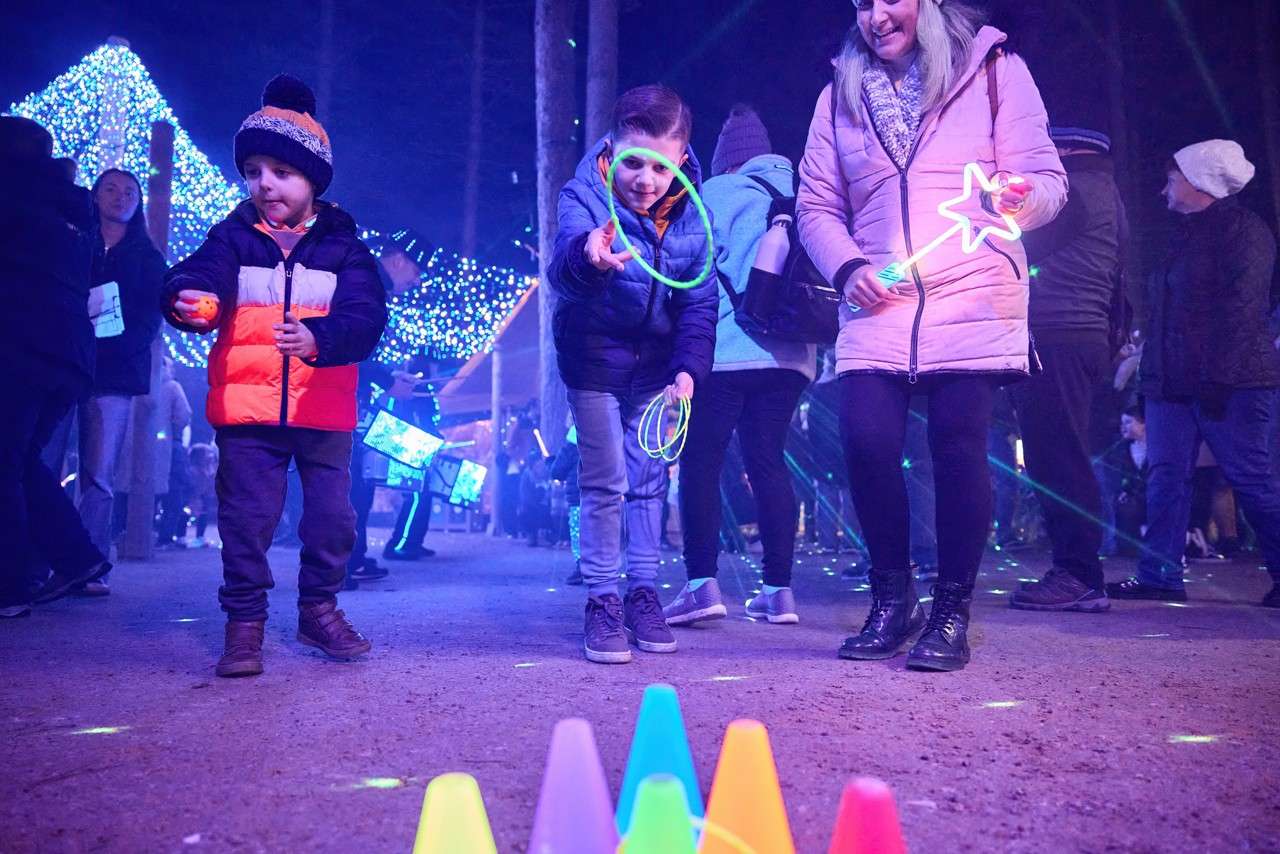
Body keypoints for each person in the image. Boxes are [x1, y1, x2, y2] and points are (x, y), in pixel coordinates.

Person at [797, 0, 1067, 671]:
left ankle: (951, 611)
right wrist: (847, 263)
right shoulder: (838, 95)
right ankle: (894, 599)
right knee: (865, 440)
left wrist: (1020, 194)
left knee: (957, 445)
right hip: (879, 298)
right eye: (861, 3)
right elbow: (817, 204)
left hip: (973, 291)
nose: (875, 16)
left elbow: (1050, 184)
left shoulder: (995, 70)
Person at [162, 74, 388, 676]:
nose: (266, 184)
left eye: (282, 172)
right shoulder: (232, 238)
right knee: (245, 518)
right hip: (248, 414)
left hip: (324, 410)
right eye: (255, 171)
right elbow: (198, 276)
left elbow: (368, 317)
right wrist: (191, 301)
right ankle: (244, 623)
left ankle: (318, 609)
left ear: (312, 179)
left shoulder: (345, 248)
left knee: (333, 519)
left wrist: (322, 338)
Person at [548, 84, 718, 664]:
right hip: (594, 360)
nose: (647, 179)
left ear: (683, 159)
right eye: (635, 162)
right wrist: (588, 257)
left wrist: (689, 370)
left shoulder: (695, 215)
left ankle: (643, 590)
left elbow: (700, 302)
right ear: (612, 149)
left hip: (656, 371)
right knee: (605, 479)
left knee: (650, 480)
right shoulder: (584, 196)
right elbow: (562, 268)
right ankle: (602, 598)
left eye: (662, 166)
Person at [661, 105, 815, 627]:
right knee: (768, 462)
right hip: (790, 357)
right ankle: (778, 592)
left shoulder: (714, 195)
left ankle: (702, 585)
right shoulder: (799, 196)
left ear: (725, 160)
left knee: (702, 462)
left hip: (725, 354)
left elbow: (687, 275)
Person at [1110, 140, 1280, 608]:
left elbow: (1242, 310)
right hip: (1173, 385)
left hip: (1233, 382)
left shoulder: (1246, 232)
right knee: (1166, 476)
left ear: (1199, 181)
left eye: (1171, 178)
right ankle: (1159, 574)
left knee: (1251, 478)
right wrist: (1153, 379)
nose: (1164, 188)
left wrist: (1218, 379)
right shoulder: (1182, 233)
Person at [1008, 127, 1126, 612]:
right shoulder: (1105, 193)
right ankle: (1078, 570)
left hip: (1058, 333)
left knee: (1057, 455)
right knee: (1062, 450)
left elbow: (1017, 246)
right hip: (1080, 335)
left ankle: (1078, 574)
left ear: (1066, 152)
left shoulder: (1074, 192)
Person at [0, 116, 111, 616]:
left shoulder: (11, 196)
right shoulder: (75, 208)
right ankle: (74, 556)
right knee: (19, 461)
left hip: (18, 343)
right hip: (67, 352)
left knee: (7, 462)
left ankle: (11, 584)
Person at [72, 168, 166, 595]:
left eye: (129, 191)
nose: (119, 196)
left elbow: (150, 319)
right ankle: (36, 561)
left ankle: (90, 564)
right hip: (62, 364)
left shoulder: (146, 258)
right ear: (94, 195)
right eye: (110, 188)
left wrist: (118, 344)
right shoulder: (74, 241)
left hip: (114, 374)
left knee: (99, 474)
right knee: (38, 464)